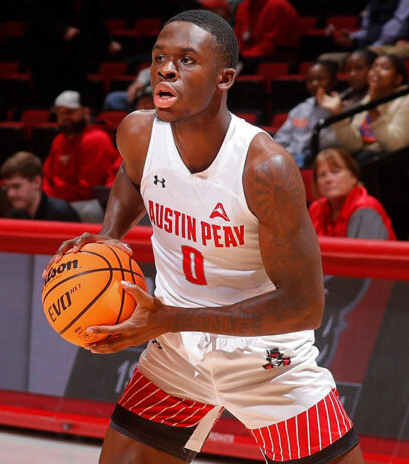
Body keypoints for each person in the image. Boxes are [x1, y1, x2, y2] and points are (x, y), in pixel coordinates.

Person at [46, 11, 364, 464]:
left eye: (186, 59)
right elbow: (135, 178)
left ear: (224, 77)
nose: (166, 68)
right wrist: (110, 233)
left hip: (267, 359)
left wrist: (168, 319)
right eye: (159, 57)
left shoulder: (265, 168)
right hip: (177, 355)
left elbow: (304, 305)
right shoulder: (137, 133)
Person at [43, 90, 120, 221]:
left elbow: (88, 190)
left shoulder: (96, 139)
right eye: (60, 113)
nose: (64, 117)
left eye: (70, 112)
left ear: (85, 112)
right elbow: (47, 176)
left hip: (88, 203)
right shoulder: (59, 140)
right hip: (60, 199)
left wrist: (49, 198)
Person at [318, 53, 409, 156]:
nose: (376, 71)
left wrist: (373, 110)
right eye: (373, 67)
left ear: (398, 79)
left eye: (385, 68)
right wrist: (338, 113)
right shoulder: (368, 99)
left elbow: (395, 146)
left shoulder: (405, 100)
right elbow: (355, 145)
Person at [309, 147, 395, 239]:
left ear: (353, 176)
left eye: (335, 172)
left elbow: (363, 252)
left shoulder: (366, 209)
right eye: (322, 175)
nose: (328, 179)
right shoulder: (316, 208)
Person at [274, 60, 338, 166]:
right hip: (289, 160)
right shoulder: (300, 109)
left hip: (319, 161)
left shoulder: (339, 108)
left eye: (320, 79)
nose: (314, 84)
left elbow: (330, 143)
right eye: (310, 80)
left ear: (333, 80)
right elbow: (281, 138)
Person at [1, 151, 80, 222]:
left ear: (36, 182)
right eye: (7, 187)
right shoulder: (16, 215)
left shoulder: (62, 214)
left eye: (16, 186)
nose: (10, 194)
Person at [233, 0, 299, 72]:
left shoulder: (278, 5)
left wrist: (243, 56)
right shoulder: (242, 7)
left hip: (274, 58)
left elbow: (271, 46)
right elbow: (237, 41)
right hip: (248, 56)